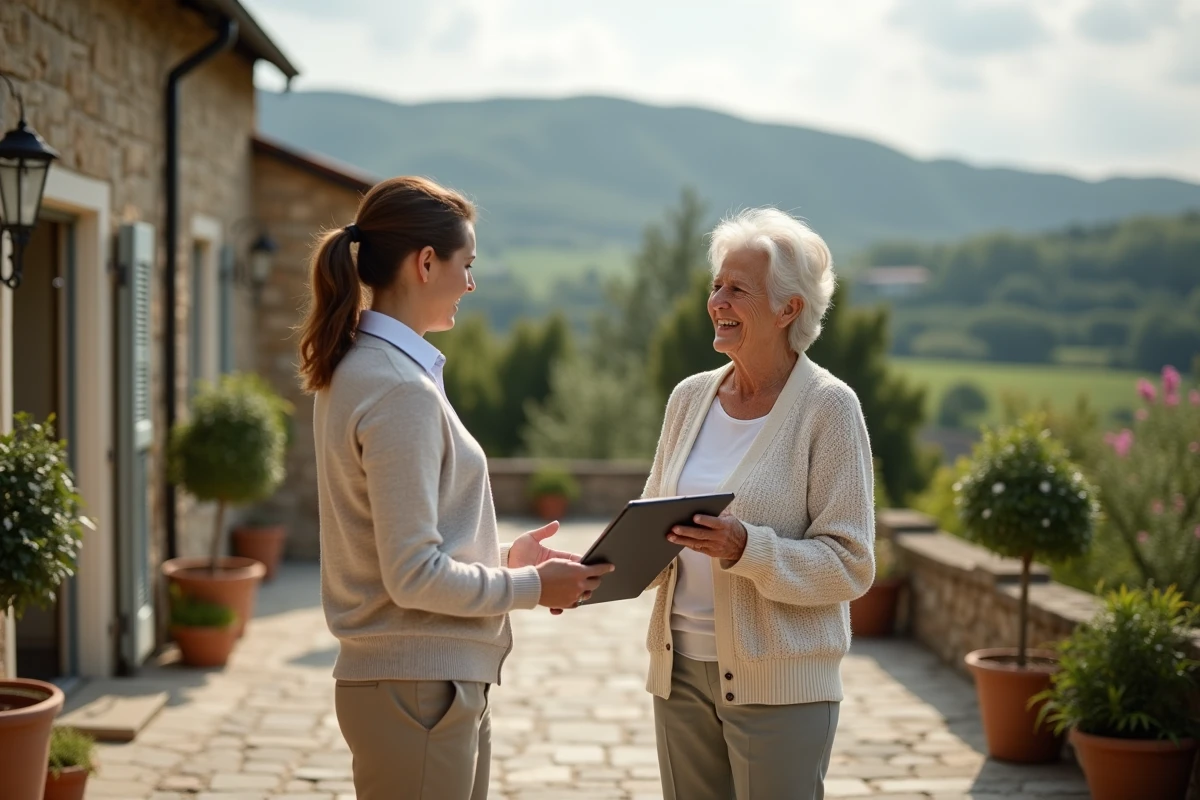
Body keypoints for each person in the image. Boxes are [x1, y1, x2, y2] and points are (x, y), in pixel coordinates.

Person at [298, 176, 613, 800]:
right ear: (424, 263)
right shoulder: (396, 389)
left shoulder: (371, 370)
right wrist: (531, 586)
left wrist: (500, 561)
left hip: (424, 687)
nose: (471, 283)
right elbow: (411, 575)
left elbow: (401, 544)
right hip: (418, 690)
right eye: (466, 265)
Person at [642, 207, 876, 800]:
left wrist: (748, 547)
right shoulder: (689, 398)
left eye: (737, 289)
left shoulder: (829, 407)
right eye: (716, 285)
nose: (717, 300)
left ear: (788, 308)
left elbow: (851, 563)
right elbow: (651, 516)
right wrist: (598, 566)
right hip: (679, 674)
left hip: (783, 685)